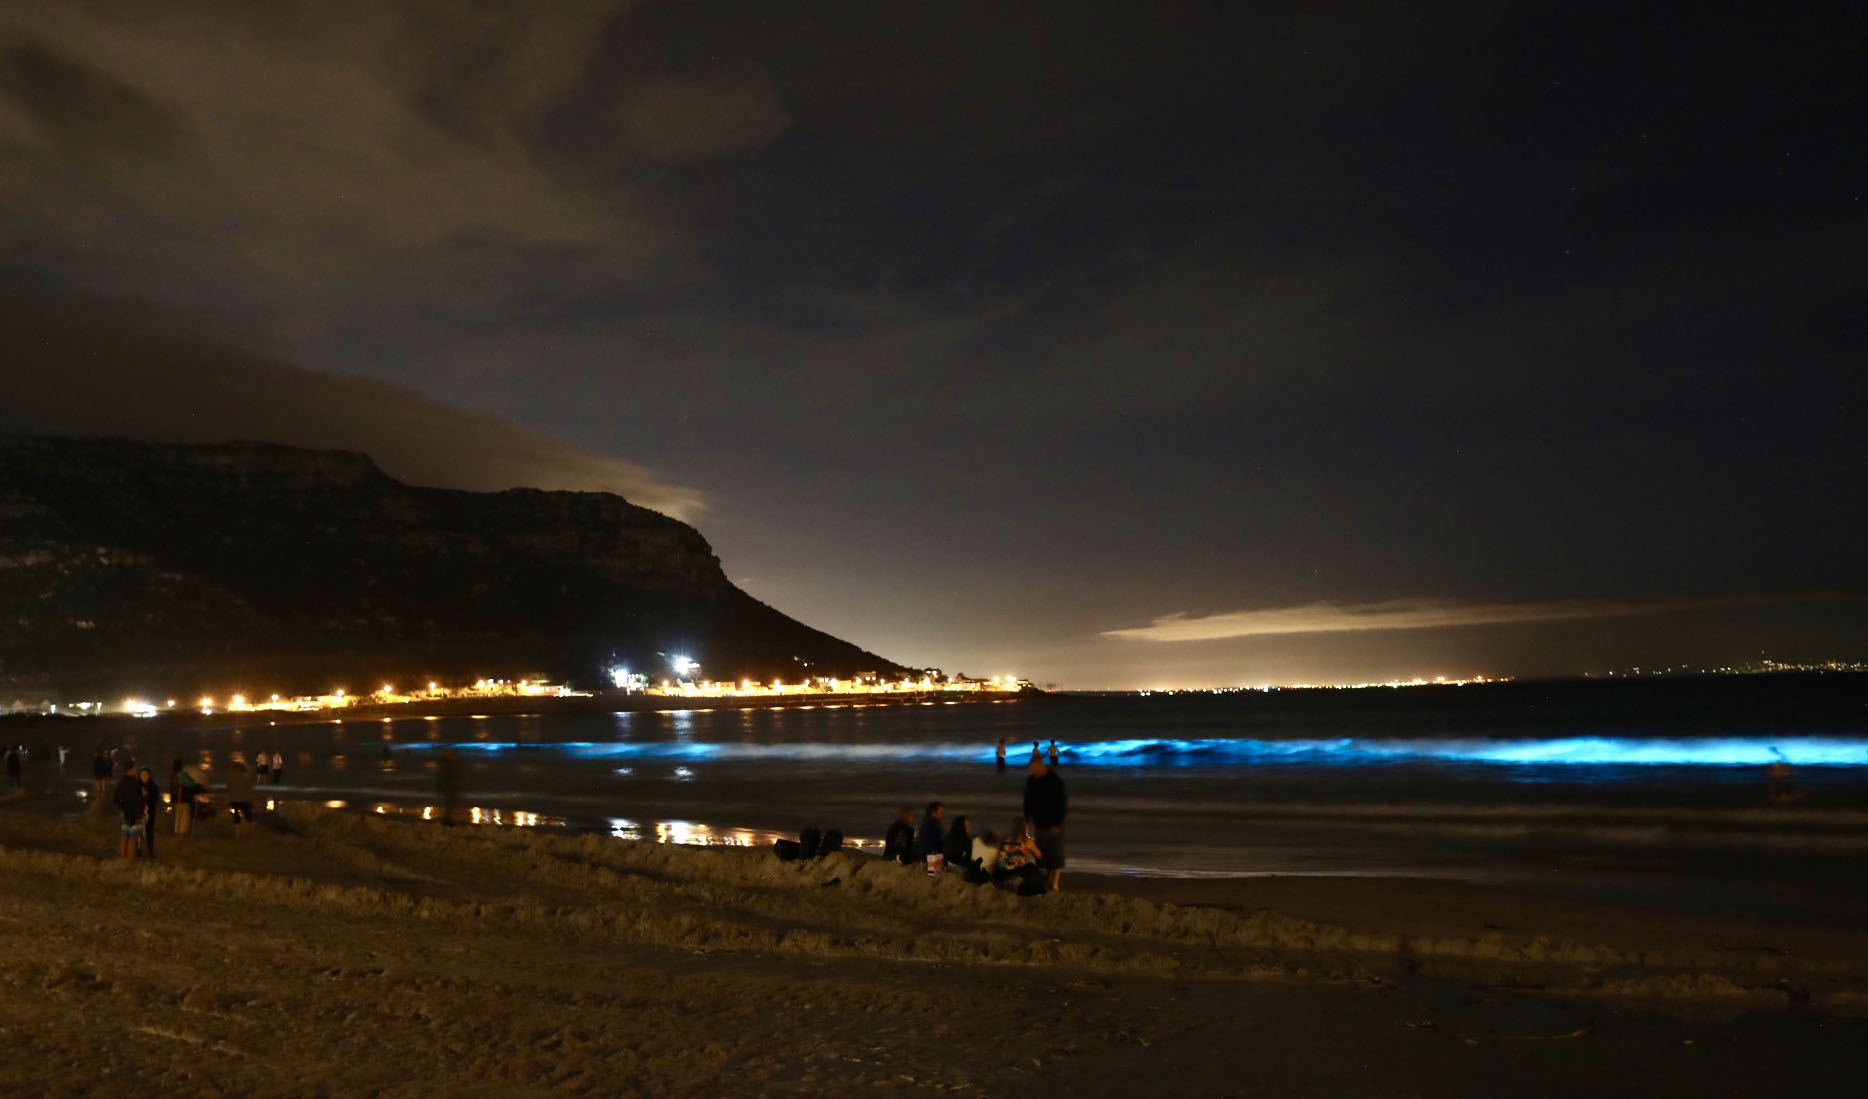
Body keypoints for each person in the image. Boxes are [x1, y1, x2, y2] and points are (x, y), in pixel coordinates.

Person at [1023, 750, 1068, 892]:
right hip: (1039, 823)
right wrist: (1027, 820)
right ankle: (1047, 881)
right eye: (1031, 768)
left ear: (1040, 765)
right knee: (1042, 856)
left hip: (1054, 823)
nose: (1032, 771)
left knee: (1056, 855)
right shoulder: (1032, 781)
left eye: (1034, 768)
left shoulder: (1054, 780)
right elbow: (1028, 801)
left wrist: (1057, 823)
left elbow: (1062, 802)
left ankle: (1054, 884)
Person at [992, 818, 1045, 893]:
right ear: (1026, 829)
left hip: (999, 872)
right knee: (1031, 867)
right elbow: (1039, 856)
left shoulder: (1005, 838)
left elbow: (998, 855)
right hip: (1014, 872)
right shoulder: (1027, 842)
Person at [113, 766, 145, 859]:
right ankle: (130, 861)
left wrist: (122, 807)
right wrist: (141, 809)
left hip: (125, 814)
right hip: (135, 813)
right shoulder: (135, 783)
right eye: (135, 769)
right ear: (131, 770)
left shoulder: (121, 782)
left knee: (124, 838)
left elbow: (115, 798)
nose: (136, 771)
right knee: (133, 839)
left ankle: (123, 859)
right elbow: (139, 799)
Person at [226, 759, 256, 838]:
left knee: (236, 816)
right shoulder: (246, 776)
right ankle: (251, 833)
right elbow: (250, 788)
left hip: (235, 800)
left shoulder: (231, 777)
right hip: (246, 799)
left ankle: (237, 835)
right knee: (249, 816)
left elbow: (228, 788)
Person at [171, 760, 200, 837]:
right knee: (185, 816)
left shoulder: (173, 775)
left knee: (178, 816)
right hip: (183, 799)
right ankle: (183, 833)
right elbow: (191, 783)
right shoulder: (182, 774)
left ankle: (176, 831)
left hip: (175, 799)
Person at [139, 767, 162, 858]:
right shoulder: (137, 785)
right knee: (139, 831)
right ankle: (139, 850)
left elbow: (156, 798)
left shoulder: (153, 786)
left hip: (150, 811)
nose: (144, 776)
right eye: (142, 775)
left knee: (149, 831)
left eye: (146, 775)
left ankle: (150, 850)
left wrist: (148, 795)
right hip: (139, 812)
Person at [436, 750, 462, 826]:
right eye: (455, 755)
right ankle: (447, 820)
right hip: (449, 787)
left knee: (450, 804)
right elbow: (448, 776)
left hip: (449, 787)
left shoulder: (447, 764)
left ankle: (447, 819)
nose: (457, 757)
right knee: (450, 804)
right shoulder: (449, 764)